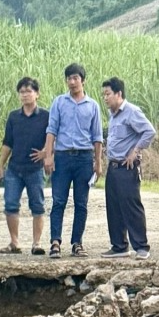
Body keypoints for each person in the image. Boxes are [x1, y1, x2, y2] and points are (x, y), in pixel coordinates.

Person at [43, 63, 104, 258]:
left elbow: (97, 136)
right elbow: (51, 130)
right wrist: (48, 155)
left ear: (83, 80)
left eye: (76, 78)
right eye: (69, 78)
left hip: (84, 158)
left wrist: (98, 162)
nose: (72, 82)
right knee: (58, 201)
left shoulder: (92, 105)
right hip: (62, 157)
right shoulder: (59, 102)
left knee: (81, 203)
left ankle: (77, 243)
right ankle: (55, 242)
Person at [99, 77, 156, 260]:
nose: (105, 98)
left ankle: (141, 246)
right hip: (113, 166)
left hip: (127, 167)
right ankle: (119, 246)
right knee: (113, 207)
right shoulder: (112, 114)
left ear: (119, 94)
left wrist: (136, 150)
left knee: (131, 207)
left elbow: (149, 131)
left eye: (108, 94)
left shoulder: (132, 112)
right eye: (103, 95)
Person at [0, 77, 49, 256]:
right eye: (22, 92)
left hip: (35, 169)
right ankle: (14, 242)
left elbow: (54, 138)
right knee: (10, 204)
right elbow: (7, 142)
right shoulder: (13, 116)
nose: (25, 95)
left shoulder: (45, 116)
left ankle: (37, 243)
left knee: (38, 206)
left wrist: (46, 153)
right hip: (14, 169)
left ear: (37, 94)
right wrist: (1, 166)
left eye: (29, 91)